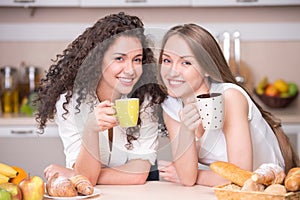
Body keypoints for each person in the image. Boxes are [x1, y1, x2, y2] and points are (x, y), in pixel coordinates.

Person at [157, 23, 299, 187]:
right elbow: (187, 178)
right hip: (228, 191)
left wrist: (199, 176)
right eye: (167, 60)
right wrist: (186, 130)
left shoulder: (229, 97)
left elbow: (242, 177)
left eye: (186, 63)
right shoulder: (171, 106)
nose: (172, 71)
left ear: (207, 69)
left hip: (268, 188)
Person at [34, 12, 165, 186]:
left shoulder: (145, 99)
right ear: (97, 60)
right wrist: (90, 130)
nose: (130, 70)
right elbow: (86, 180)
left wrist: (75, 174)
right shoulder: (71, 102)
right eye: (119, 58)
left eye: (137, 59)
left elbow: (138, 175)